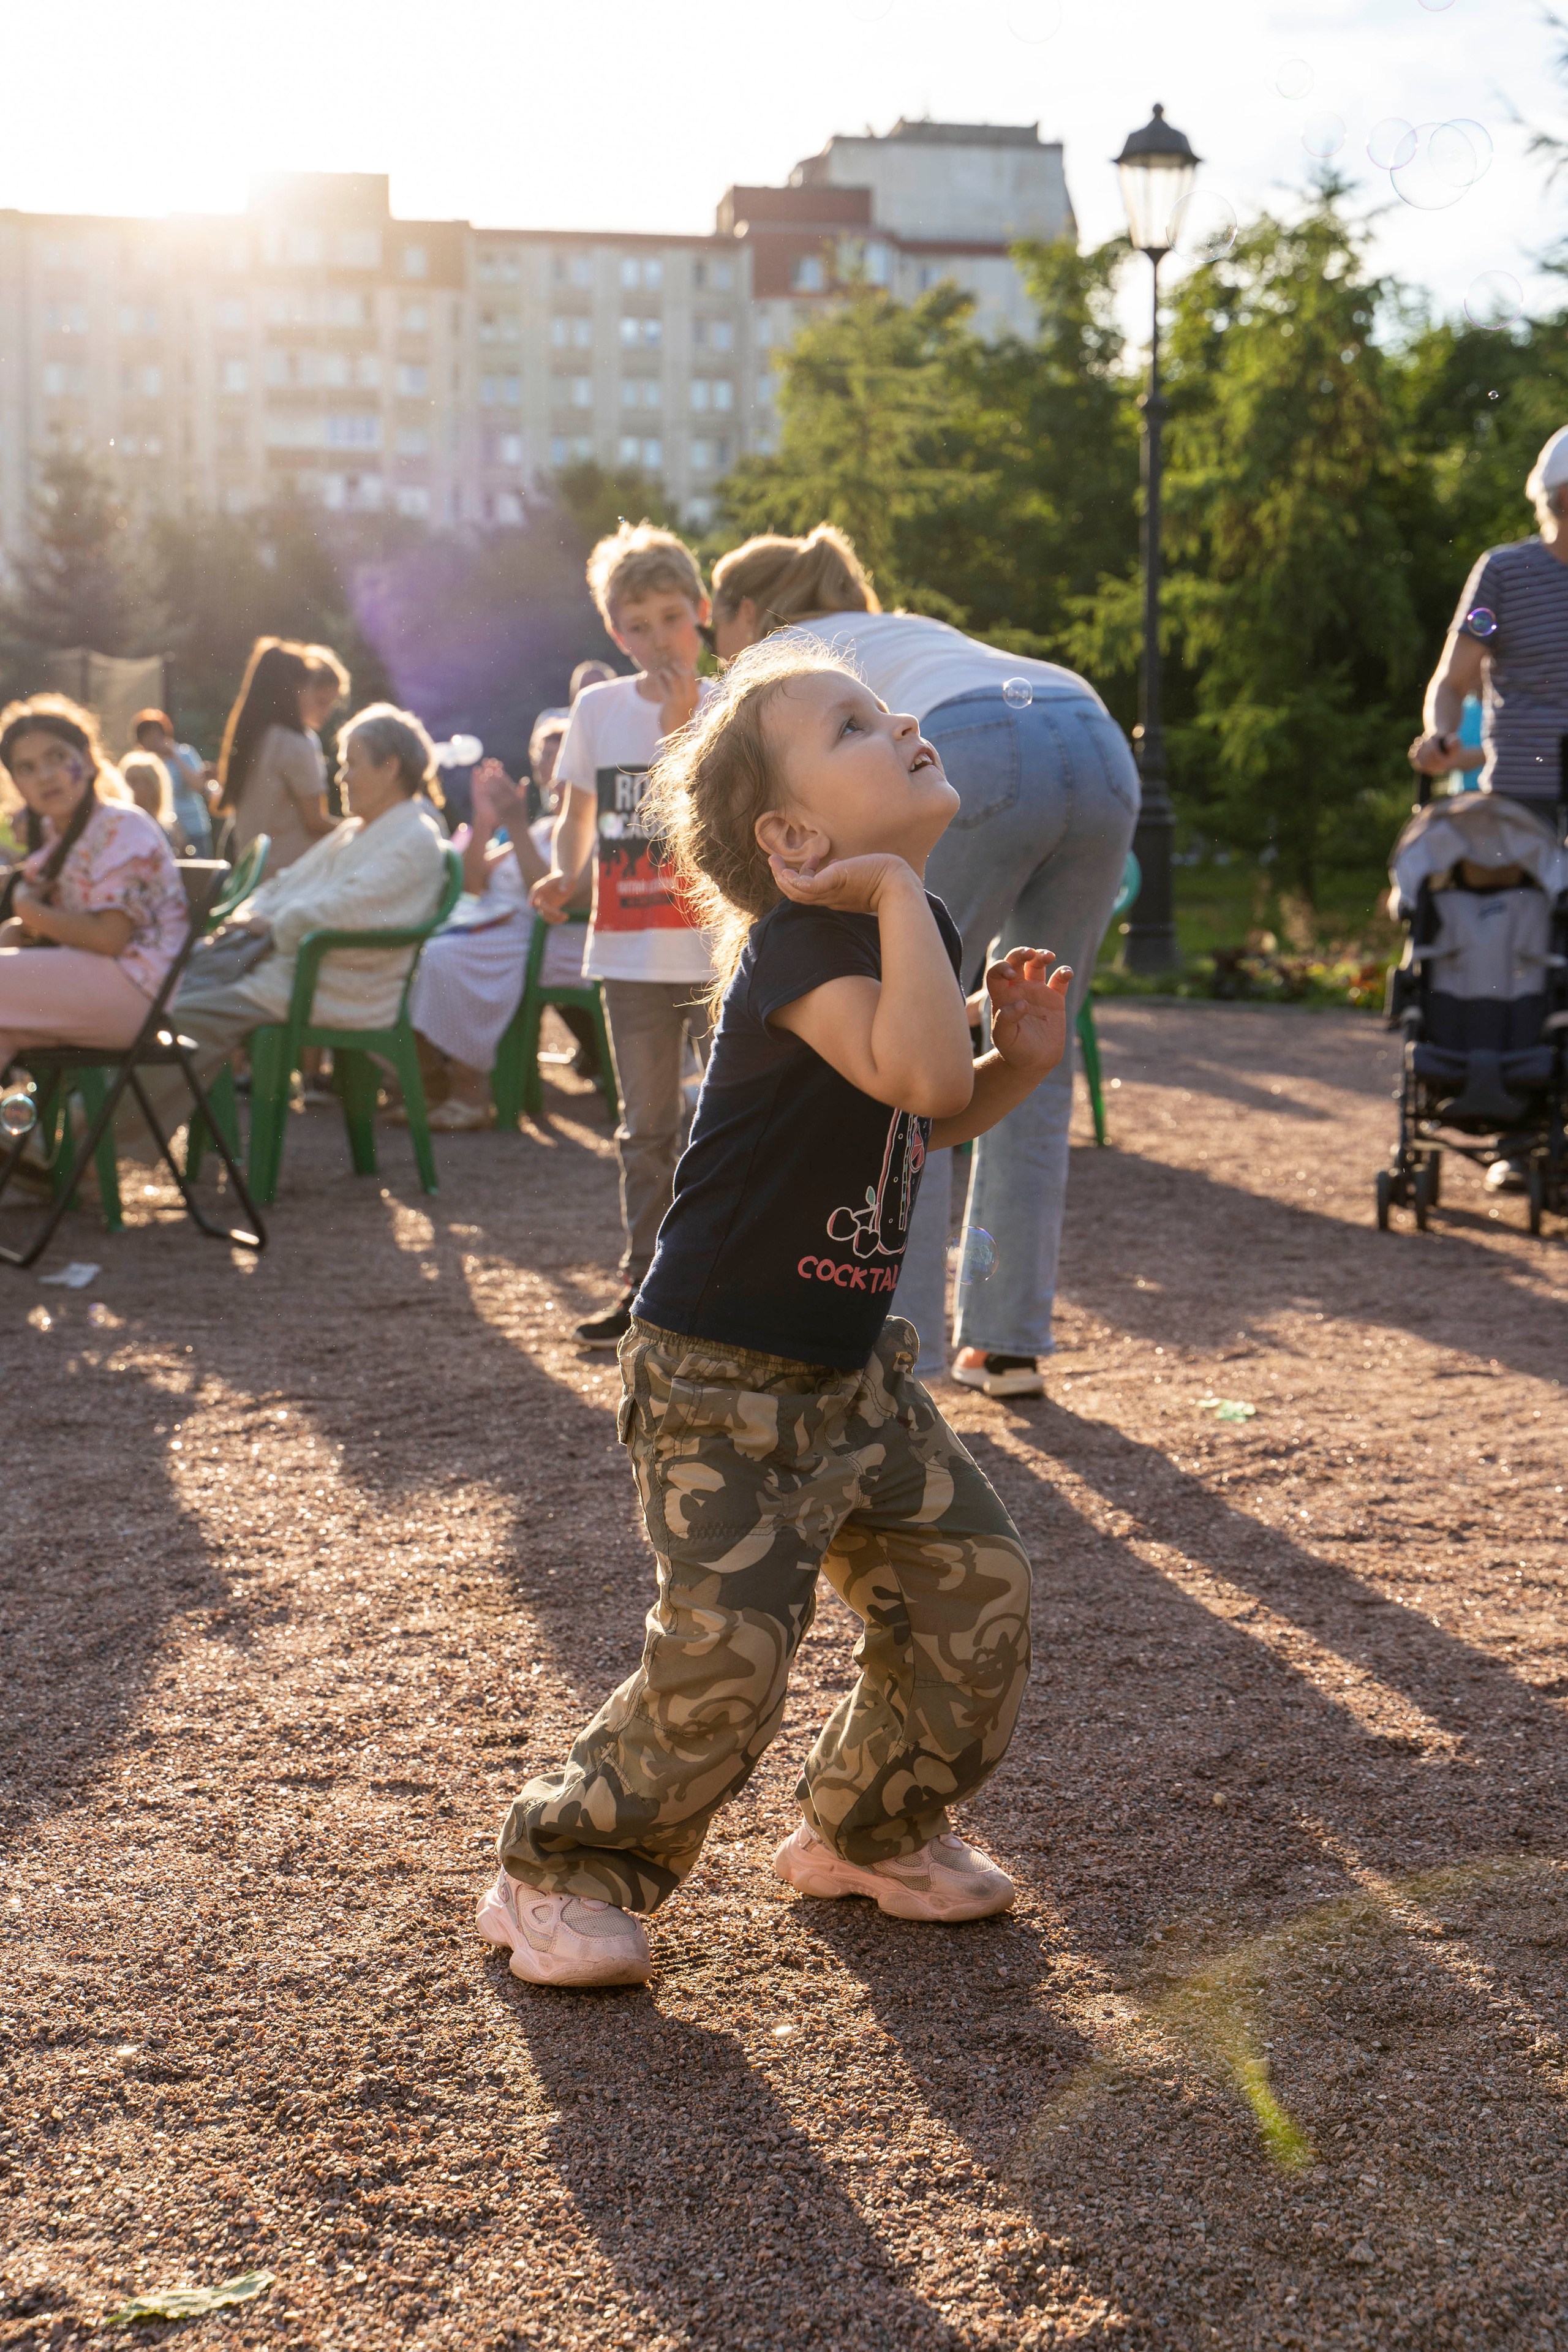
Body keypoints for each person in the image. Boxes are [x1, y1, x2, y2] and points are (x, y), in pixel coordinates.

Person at [478, 636, 1065, 1988]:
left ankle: (867, 1830)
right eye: (854, 725)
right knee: (728, 1657)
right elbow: (920, 1077)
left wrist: (1018, 1065)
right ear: (794, 838)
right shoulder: (804, 946)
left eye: (882, 709)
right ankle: (553, 1873)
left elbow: (921, 1113)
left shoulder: (909, 928)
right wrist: (898, 898)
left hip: (853, 1375)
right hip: (718, 1378)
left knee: (974, 1591)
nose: (900, 722)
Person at [709, 524, 1139, 1400]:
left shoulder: (781, 673)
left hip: (978, 743)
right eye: (859, 723)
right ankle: (1007, 1343)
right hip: (1096, 735)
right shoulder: (905, 630)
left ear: (742, 613)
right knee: (1006, 1034)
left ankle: (897, 1355)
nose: (898, 720)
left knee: (914, 1058)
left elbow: (715, 800)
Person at [530, 522, 715, 1349]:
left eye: (671, 618)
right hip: (629, 951)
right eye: (638, 627)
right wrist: (564, 874)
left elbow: (724, 813)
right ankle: (647, 1285)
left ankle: (724, 1284)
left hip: (717, 951)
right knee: (645, 1130)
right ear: (616, 633)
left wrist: (681, 722)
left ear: (701, 610)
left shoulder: (731, 701)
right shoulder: (598, 708)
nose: (659, 640)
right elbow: (578, 813)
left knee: (730, 1125)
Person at [123, 704, 447, 1147]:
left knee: (183, 1015)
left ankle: (91, 1140)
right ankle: (95, 1138)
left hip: (332, 982)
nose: (340, 777)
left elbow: (346, 910)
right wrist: (248, 918)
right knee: (158, 996)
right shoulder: (357, 831)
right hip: (291, 968)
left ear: (390, 767)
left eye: (351, 764)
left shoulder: (414, 839)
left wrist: (270, 924)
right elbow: (283, 884)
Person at [404, 743, 591, 1131]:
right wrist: (485, 821)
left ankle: (470, 1092)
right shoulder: (542, 830)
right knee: (420, 951)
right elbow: (472, 883)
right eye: (547, 761)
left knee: (445, 957)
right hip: (506, 933)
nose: (554, 773)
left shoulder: (588, 836)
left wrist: (516, 823)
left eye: (562, 761)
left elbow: (552, 894)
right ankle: (430, 1084)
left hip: (550, 939)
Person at [0, 695, 187, 1075]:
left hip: (133, 992)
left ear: (88, 761)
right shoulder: (58, 836)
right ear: (17, 784)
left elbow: (109, 938)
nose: (45, 775)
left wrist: (28, 910)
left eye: (57, 757)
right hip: (98, 988)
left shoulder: (122, 828)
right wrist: (20, 930)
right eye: (27, 768)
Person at [1410, 427, 1568, 824]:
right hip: (1521, 811)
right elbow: (1452, 683)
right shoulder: (1504, 574)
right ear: (1566, 496)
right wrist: (1442, 736)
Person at [218, 639, 333, 873]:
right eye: (307, 686)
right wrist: (366, 827)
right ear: (294, 688)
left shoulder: (253, 739)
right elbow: (315, 822)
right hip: (289, 876)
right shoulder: (296, 743)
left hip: (252, 873)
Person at [132, 709, 214, 856]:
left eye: (156, 734)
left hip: (193, 831)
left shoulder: (184, 753)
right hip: (162, 834)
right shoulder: (141, 765)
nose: (153, 740)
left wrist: (174, 756)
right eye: (147, 736)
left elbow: (198, 786)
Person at [121, 749, 187, 853]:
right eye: (126, 781)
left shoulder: (166, 830)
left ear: (152, 787)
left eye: (134, 782)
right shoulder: (120, 826)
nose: (127, 787)